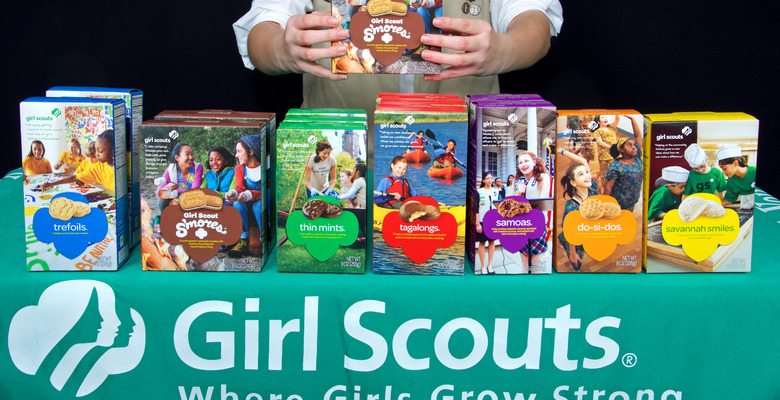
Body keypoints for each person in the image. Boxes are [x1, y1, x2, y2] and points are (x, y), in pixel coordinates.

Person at [233, 1, 563, 116]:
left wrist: (503, 50)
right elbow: (260, 33)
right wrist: (282, 49)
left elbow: (534, 24)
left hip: (463, 168)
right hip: (341, 164)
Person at [557, 146, 597, 271]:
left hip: (586, 229)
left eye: (586, 172)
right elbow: (571, 233)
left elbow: (583, 161)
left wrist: (563, 151)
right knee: (577, 265)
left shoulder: (591, 187)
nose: (587, 175)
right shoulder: (572, 207)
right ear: (573, 182)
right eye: (581, 174)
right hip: (576, 237)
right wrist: (573, 254)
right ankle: (561, 239)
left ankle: (560, 237)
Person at [41, 130, 117, 195]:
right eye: (96, 151)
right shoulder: (97, 167)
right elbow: (75, 177)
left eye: (100, 151)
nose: (96, 154)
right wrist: (51, 184)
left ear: (113, 151)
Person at [226, 135, 265, 257]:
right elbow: (240, 188)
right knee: (237, 203)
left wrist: (249, 194)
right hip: (247, 200)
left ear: (251, 152)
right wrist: (234, 193)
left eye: (239, 151)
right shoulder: (240, 168)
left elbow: (267, 191)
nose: (236, 155)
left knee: (258, 206)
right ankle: (243, 240)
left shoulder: (264, 168)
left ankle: (263, 240)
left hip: (261, 200)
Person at [514, 150, 552, 272]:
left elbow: (541, 202)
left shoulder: (543, 177)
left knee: (536, 266)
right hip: (520, 226)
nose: (523, 164)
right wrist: (518, 193)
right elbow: (510, 207)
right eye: (520, 162)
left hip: (536, 225)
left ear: (534, 162)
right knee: (525, 267)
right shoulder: (517, 182)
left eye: (526, 161)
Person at [603, 116, 643, 212]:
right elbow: (608, 186)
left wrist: (633, 120)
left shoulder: (637, 157)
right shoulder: (616, 166)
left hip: (633, 199)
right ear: (621, 149)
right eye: (629, 145)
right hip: (619, 201)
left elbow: (638, 136)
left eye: (634, 145)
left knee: (628, 217)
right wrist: (605, 203)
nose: (634, 147)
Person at [155, 143, 204, 212]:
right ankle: (165, 218)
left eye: (192, 154)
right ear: (177, 157)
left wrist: (176, 190)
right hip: (175, 199)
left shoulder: (197, 167)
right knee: (162, 200)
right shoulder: (172, 169)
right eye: (187, 154)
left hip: (191, 199)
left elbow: (195, 190)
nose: (191, 157)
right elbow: (159, 193)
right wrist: (168, 187)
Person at [476, 172, 499, 274]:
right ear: (484, 180)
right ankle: (483, 266)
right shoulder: (479, 191)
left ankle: (490, 265)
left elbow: (500, 206)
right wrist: (477, 223)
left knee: (492, 242)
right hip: (482, 220)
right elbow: (476, 209)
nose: (490, 180)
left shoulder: (496, 191)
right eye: (487, 178)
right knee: (482, 242)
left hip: (493, 221)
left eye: (491, 178)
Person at [592, 114, 619, 194]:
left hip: (614, 154)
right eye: (603, 117)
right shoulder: (597, 131)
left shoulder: (611, 127)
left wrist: (617, 112)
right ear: (599, 121)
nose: (605, 118)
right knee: (604, 172)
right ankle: (603, 186)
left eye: (606, 117)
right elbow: (600, 142)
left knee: (614, 170)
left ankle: (612, 185)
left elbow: (617, 119)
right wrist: (611, 148)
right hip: (604, 156)